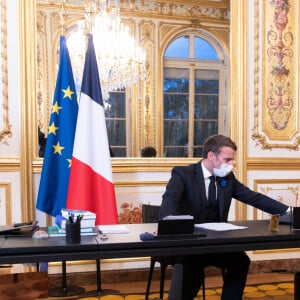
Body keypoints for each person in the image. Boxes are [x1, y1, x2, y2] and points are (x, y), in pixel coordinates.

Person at [159, 134, 289, 300]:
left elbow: (253, 197)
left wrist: (288, 211)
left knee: (240, 261)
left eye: (232, 160)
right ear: (211, 156)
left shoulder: (227, 178)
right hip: (188, 245)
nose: (232, 164)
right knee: (192, 270)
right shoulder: (184, 174)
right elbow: (170, 199)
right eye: (227, 159)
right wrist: (168, 223)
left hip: (214, 243)